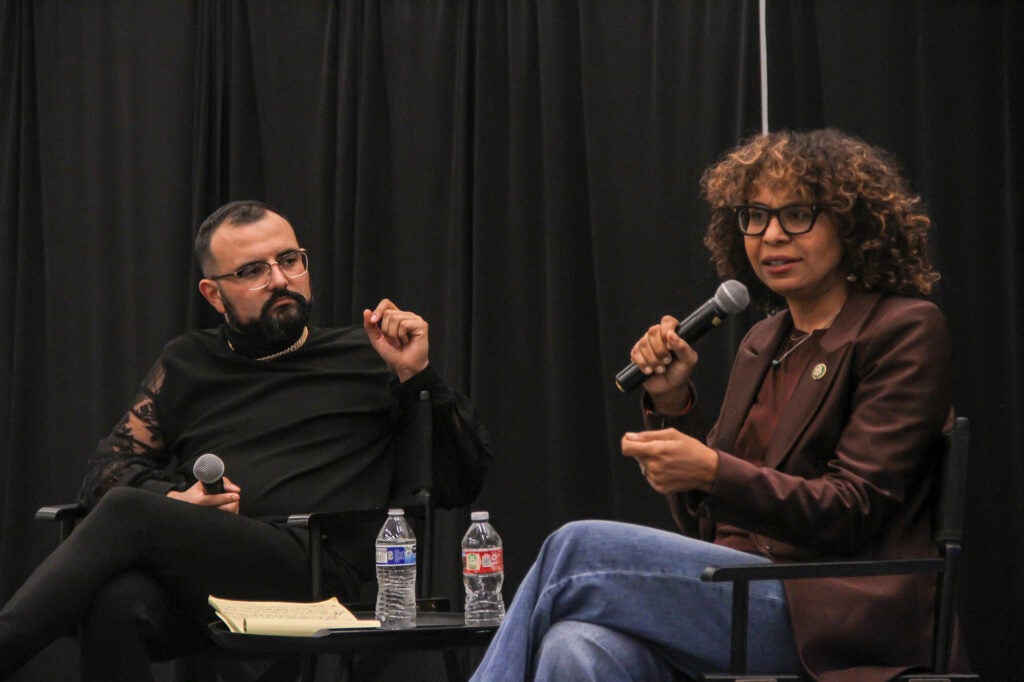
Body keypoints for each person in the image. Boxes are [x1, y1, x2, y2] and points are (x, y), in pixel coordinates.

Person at [470, 128, 965, 681]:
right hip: (735, 593)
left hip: (831, 611)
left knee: (575, 547)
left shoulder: (903, 329)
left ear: (852, 225)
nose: (771, 235)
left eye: (797, 214)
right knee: (574, 644)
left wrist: (712, 469)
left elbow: (851, 511)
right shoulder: (764, 341)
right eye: (754, 216)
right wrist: (674, 403)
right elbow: (707, 527)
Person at [0, 200, 493, 680]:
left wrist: (417, 376)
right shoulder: (188, 361)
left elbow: (459, 478)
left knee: (130, 512)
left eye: (289, 260)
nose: (279, 279)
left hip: (318, 573)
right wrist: (176, 500)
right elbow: (105, 470)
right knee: (117, 602)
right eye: (252, 270)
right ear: (214, 295)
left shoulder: (369, 355)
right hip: (208, 580)